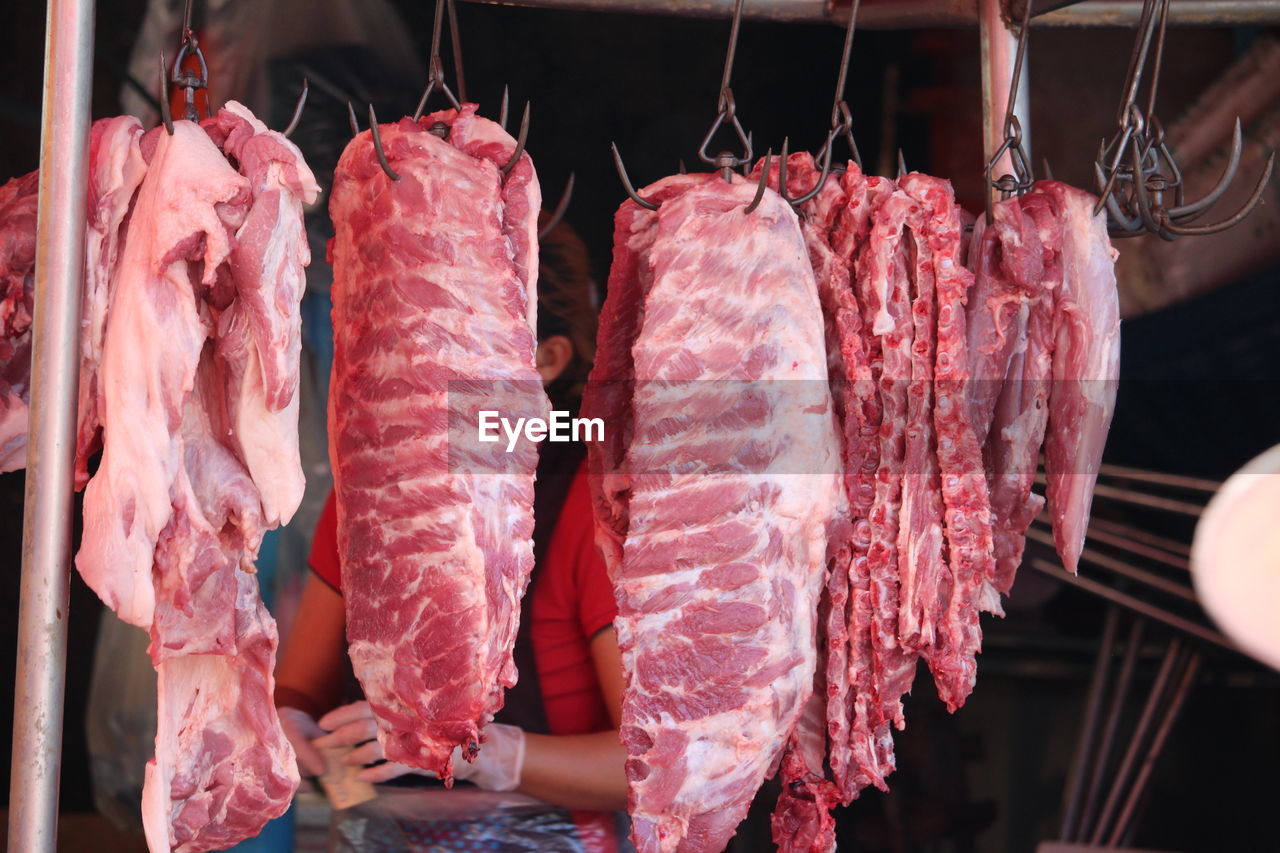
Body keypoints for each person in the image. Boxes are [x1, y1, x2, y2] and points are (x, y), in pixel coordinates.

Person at [274, 215, 631, 850]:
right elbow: (299, 687)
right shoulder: (372, 488)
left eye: (461, 346)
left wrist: (496, 755)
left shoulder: (587, 496)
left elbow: (648, 767)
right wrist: (292, 724)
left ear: (547, 361)